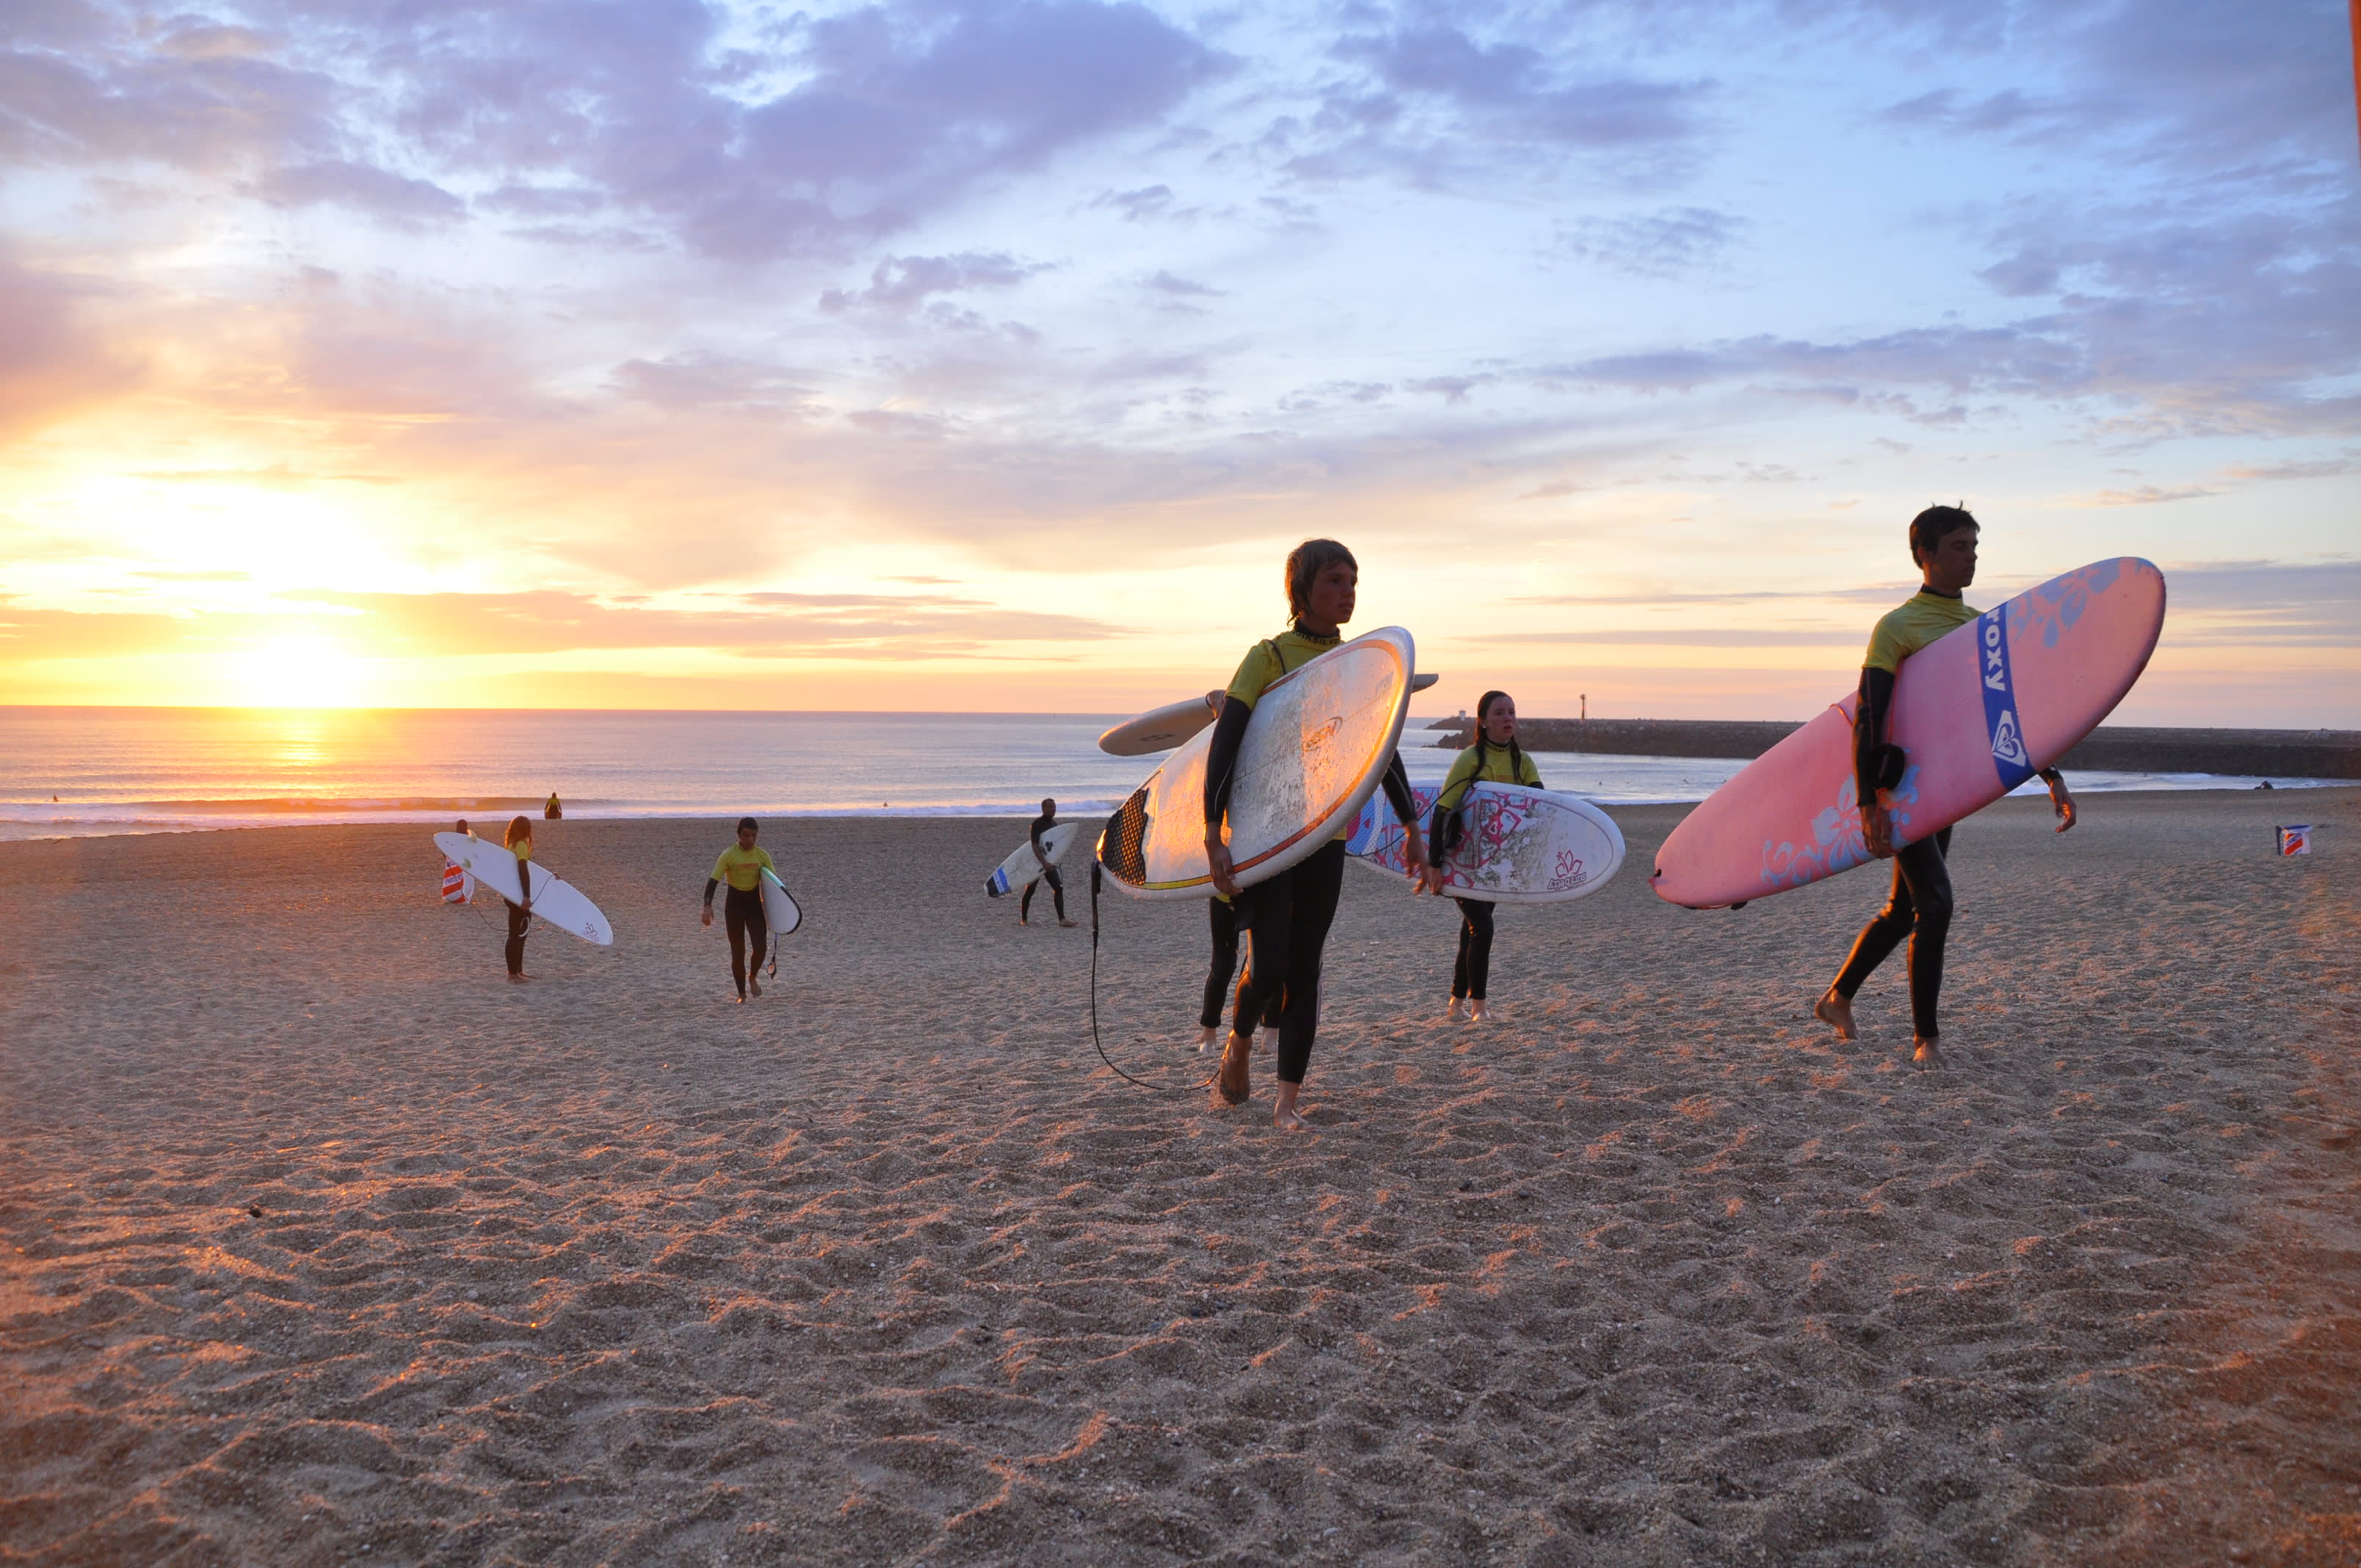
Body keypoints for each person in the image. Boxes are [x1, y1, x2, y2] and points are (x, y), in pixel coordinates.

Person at [1813, 504, 2076, 1067]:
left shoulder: (1982, 630)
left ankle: (1837, 998)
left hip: (1947, 789)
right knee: (1936, 904)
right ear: (1924, 555)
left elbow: (2004, 716)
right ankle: (1925, 1040)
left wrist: (2050, 776)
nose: (1971, 556)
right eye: (1959, 546)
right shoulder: (1897, 628)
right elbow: (1869, 717)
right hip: (1901, 789)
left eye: (1975, 546)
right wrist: (1868, 802)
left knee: (1906, 908)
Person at [1205, 539, 1442, 1129]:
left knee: (1306, 967)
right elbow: (1227, 745)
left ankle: (1287, 1105)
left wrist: (1412, 825)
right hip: (1266, 834)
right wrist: (1214, 834)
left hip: (1324, 836)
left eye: (1353, 581)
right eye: (1335, 581)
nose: (1348, 592)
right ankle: (1238, 1045)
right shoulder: (1269, 658)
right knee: (1270, 967)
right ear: (1302, 587)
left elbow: (1376, 749)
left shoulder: (1360, 664)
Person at [1429, 689, 1544, 1023]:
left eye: (1511, 711)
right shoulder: (1469, 760)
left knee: (1472, 929)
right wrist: (1435, 865)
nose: (1508, 718)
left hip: (1497, 864)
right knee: (1482, 926)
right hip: (1462, 859)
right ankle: (1479, 1005)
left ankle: (1456, 1003)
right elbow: (1442, 811)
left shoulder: (1523, 761)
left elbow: (1538, 807)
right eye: (1499, 713)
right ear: (1482, 721)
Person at [701, 817, 776, 1003]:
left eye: (753, 836)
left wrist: (777, 914)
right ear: (739, 835)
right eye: (746, 835)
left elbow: (774, 885)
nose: (750, 840)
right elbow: (713, 881)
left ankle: (752, 977)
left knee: (760, 947)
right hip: (734, 906)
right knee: (738, 951)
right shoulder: (729, 855)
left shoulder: (762, 856)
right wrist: (707, 907)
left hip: (754, 905)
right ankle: (742, 994)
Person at [1019, 798, 1076, 927]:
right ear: (1043, 809)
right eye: (1050, 807)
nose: (1053, 809)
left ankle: (1062, 920)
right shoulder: (1037, 824)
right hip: (1036, 862)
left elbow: (1055, 847)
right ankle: (1024, 919)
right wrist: (1043, 862)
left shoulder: (1054, 825)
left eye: (1054, 807)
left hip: (1049, 863)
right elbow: (1035, 845)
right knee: (1030, 890)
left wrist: (1053, 861)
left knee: (1058, 888)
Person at [501, 816, 534, 982]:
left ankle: (518, 971)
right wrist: (527, 896)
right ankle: (512, 974)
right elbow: (523, 871)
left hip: (512, 895)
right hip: (519, 897)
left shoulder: (511, 845)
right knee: (517, 935)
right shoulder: (521, 846)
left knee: (519, 934)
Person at [441, 817, 474, 904]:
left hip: (455, 864)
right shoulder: (469, 839)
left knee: (454, 880)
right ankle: (464, 898)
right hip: (466, 864)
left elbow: (444, 851)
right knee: (467, 881)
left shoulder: (453, 838)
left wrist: (449, 860)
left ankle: (452, 897)